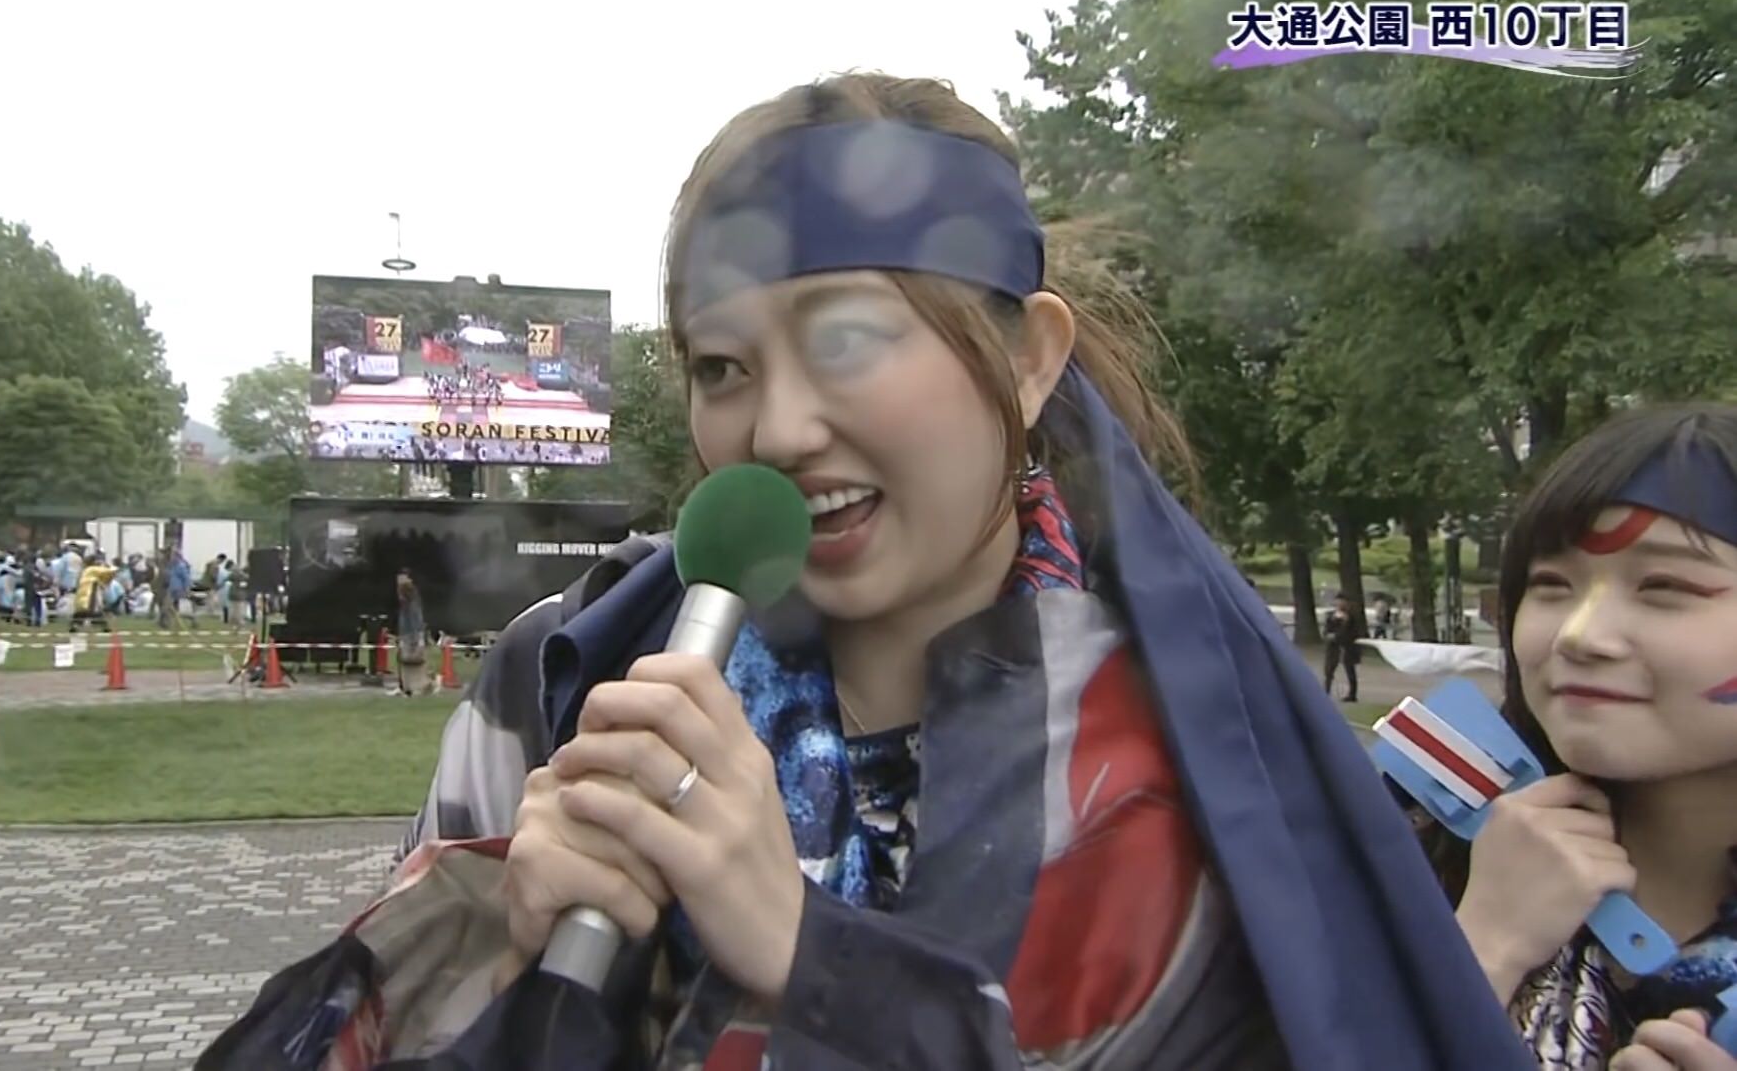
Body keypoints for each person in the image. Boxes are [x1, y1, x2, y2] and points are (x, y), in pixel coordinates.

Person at [209, 74, 1529, 1071]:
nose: (778, 429)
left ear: (1027, 359)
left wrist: (810, 958)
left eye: (845, 341)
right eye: (722, 366)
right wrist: (505, 950)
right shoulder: (567, 678)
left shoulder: (1191, 769)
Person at [1428, 405, 1737, 1071]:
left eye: (1665, 586)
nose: (1579, 635)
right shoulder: (1400, 846)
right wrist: (1485, 946)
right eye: (1551, 585)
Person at [394, 568, 430, 697]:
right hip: (406, 632)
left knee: (414, 661)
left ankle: (420, 685)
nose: (399, 581)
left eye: (402, 578)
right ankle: (405, 687)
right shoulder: (404, 596)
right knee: (404, 660)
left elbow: (416, 616)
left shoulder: (411, 595)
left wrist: (418, 637)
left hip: (411, 633)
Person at [1324, 591, 1363, 700]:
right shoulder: (1331, 616)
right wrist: (1329, 635)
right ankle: (1326, 691)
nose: (1340, 603)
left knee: (1350, 670)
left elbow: (1353, 632)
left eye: (1342, 602)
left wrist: (1344, 626)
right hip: (1333, 646)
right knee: (1329, 670)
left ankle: (1352, 694)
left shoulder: (1351, 617)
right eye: (1338, 601)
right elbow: (1327, 629)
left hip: (1347, 646)